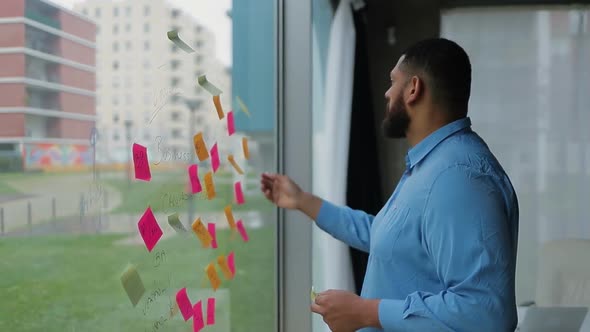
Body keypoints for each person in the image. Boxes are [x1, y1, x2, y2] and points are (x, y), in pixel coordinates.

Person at [260, 37, 519, 332]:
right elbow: (388, 238)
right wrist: (302, 200)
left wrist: (365, 311)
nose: (386, 92)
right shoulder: (432, 165)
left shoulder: (456, 176)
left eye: (393, 81)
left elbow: (485, 314)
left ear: (413, 88)